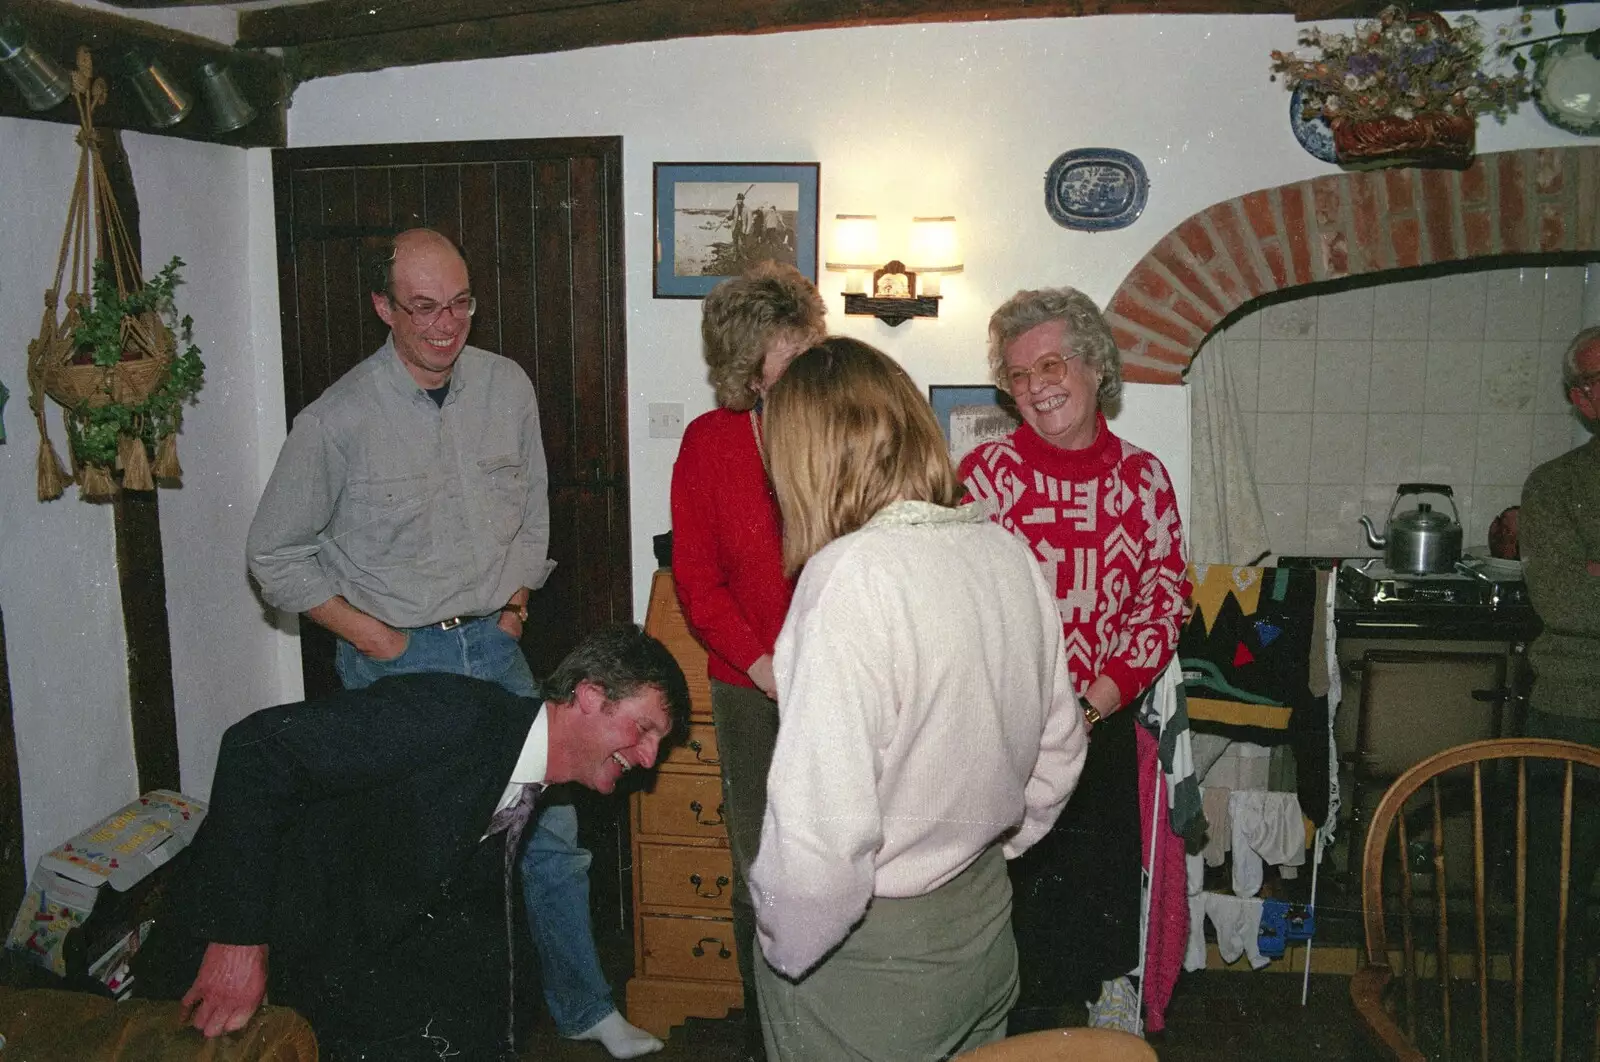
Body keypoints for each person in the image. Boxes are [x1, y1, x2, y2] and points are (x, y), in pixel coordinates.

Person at [245, 229, 659, 1058]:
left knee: (553, 843)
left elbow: (532, 509)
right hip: (401, 665)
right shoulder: (336, 420)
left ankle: (585, 1010)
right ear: (383, 309)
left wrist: (511, 607)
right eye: (424, 307)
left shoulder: (505, 386)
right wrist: (377, 638)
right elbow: (273, 555)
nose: (446, 325)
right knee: (413, 864)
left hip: (497, 652)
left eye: (461, 303)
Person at [747, 337, 1088, 1062]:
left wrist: (781, 948)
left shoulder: (847, 579)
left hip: (873, 961)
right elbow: (1060, 750)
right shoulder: (1005, 552)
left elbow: (821, 839)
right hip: (985, 924)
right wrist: (992, 846)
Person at [134, 624, 690, 1062]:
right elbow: (255, 749)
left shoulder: (530, 789)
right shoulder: (455, 715)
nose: (647, 759)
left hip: (335, 964)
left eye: (657, 746)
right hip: (232, 948)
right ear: (589, 696)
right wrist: (236, 941)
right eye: (644, 731)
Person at [958, 287, 1191, 1034]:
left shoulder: (1144, 479)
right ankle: (999, 1029)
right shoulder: (983, 477)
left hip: (1103, 716)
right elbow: (958, 599)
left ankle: (1106, 1011)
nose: (1036, 387)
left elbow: (1163, 601)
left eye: (1051, 364)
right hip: (1006, 725)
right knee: (1008, 897)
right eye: (1019, 375)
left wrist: (1095, 701)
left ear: (1095, 368)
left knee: (1097, 888)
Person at [668, 261, 825, 1050]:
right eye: (783, 350)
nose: (802, 361)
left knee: (836, 854)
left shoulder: (838, 427)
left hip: (839, 682)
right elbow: (696, 580)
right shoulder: (707, 443)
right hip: (747, 685)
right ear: (746, 365)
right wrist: (765, 668)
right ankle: (770, 1030)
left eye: (804, 342)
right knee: (760, 864)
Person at [1519, 324, 1600, 1051]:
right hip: (1574, 717)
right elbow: (1566, 606)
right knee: (1559, 908)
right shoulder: (1554, 487)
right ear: (1581, 399)